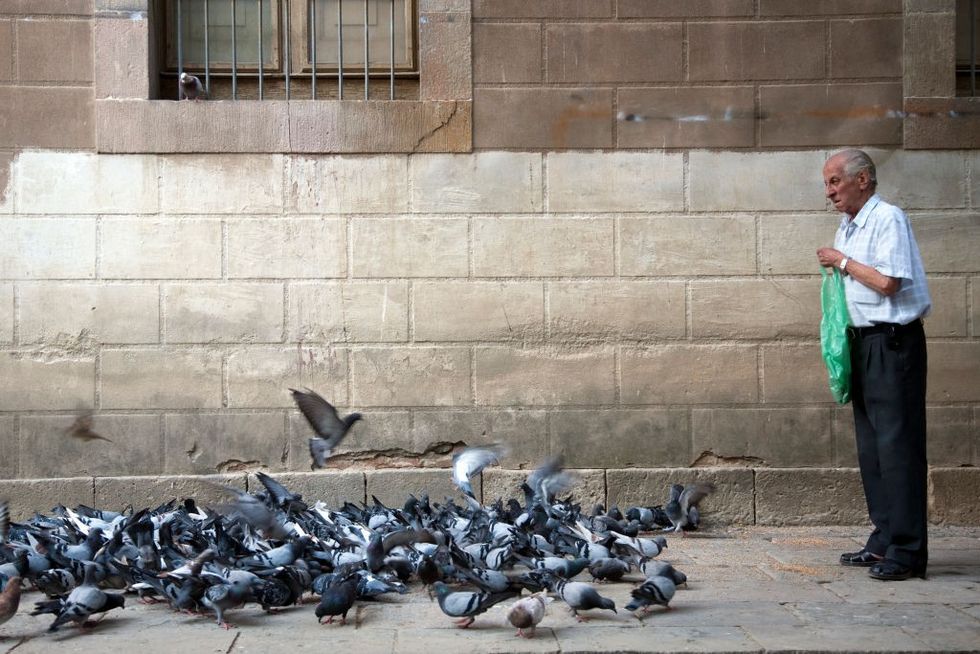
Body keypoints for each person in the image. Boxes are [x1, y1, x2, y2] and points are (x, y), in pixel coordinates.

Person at [816, 149, 932, 582]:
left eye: (834, 182)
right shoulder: (848, 224)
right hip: (862, 343)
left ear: (862, 179)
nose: (829, 192)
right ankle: (884, 537)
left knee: (898, 447)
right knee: (872, 448)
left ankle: (908, 550)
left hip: (894, 342)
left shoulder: (888, 218)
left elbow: (888, 282)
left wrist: (841, 261)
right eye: (827, 184)